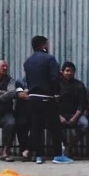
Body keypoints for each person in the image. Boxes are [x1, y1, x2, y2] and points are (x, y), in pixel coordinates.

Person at [23, 35, 61, 164]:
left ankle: (39, 155)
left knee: (36, 126)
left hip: (33, 98)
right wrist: (56, 93)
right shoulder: (49, 59)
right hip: (47, 97)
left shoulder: (28, 61)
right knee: (54, 126)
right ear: (43, 45)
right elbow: (54, 78)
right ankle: (58, 155)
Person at [55, 62, 89, 163]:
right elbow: (52, 103)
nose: (69, 73)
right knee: (53, 123)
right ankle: (63, 145)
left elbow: (82, 104)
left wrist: (75, 117)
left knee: (85, 124)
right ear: (62, 71)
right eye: (67, 71)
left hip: (75, 114)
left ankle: (70, 145)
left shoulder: (79, 85)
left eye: (71, 71)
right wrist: (59, 116)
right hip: (60, 115)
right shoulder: (56, 85)